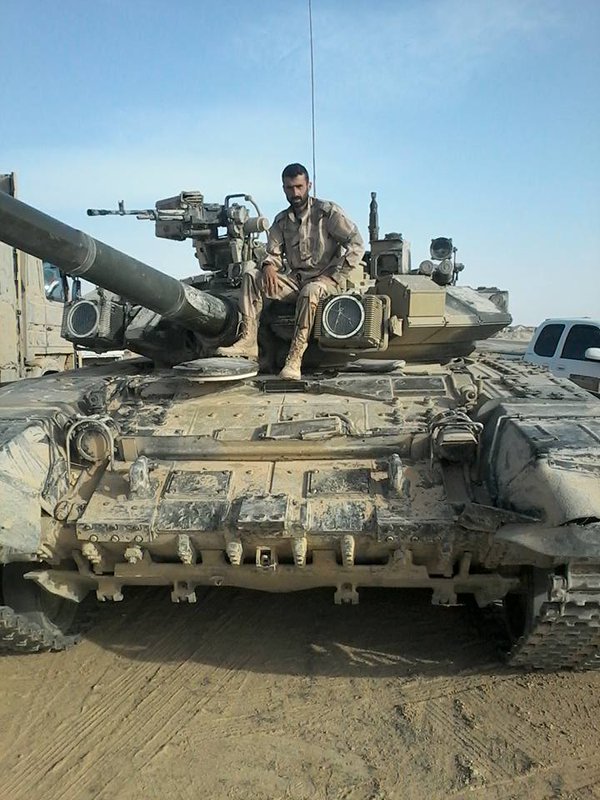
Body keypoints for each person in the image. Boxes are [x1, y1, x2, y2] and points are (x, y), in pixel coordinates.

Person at [216, 163, 365, 380]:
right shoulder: (282, 221)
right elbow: (273, 253)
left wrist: (334, 275)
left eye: (299, 187)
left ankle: (294, 358)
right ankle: (248, 341)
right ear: (283, 188)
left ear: (308, 185)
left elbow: (356, 244)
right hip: (296, 282)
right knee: (251, 274)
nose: (295, 193)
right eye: (289, 188)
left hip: (326, 284)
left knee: (311, 291)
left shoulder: (327, 213)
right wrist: (268, 266)